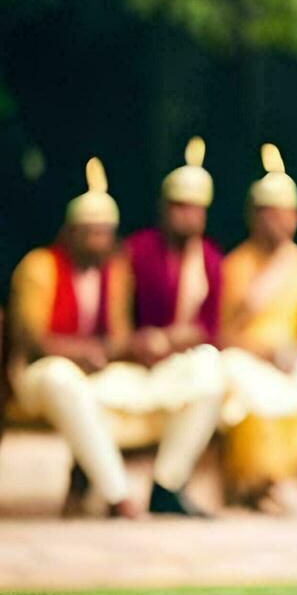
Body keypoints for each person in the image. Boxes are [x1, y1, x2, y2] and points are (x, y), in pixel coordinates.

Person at [6, 158, 138, 517]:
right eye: (91, 232)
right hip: (39, 375)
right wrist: (79, 353)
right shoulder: (40, 267)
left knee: (148, 387)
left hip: (97, 372)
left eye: (105, 232)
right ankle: (117, 495)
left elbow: (120, 335)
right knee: (62, 378)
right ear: (71, 231)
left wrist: (103, 353)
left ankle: (90, 479)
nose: (99, 240)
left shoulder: (116, 273)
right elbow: (31, 337)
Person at [108, 136, 228, 516]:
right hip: (127, 365)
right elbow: (115, 322)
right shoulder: (135, 251)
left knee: (211, 367)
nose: (187, 217)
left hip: (177, 366)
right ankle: (114, 491)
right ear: (163, 208)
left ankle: (167, 484)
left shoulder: (209, 259)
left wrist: (173, 340)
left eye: (195, 209)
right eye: (179, 207)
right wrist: (133, 343)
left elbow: (209, 328)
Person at [218, 144, 297, 510]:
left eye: (282, 213)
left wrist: (293, 353)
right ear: (252, 215)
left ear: (296, 217)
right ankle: (259, 480)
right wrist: (264, 352)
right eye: (267, 213)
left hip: (290, 359)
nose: (275, 221)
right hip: (246, 358)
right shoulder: (234, 266)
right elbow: (222, 334)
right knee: (243, 382)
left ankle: (270, 479)